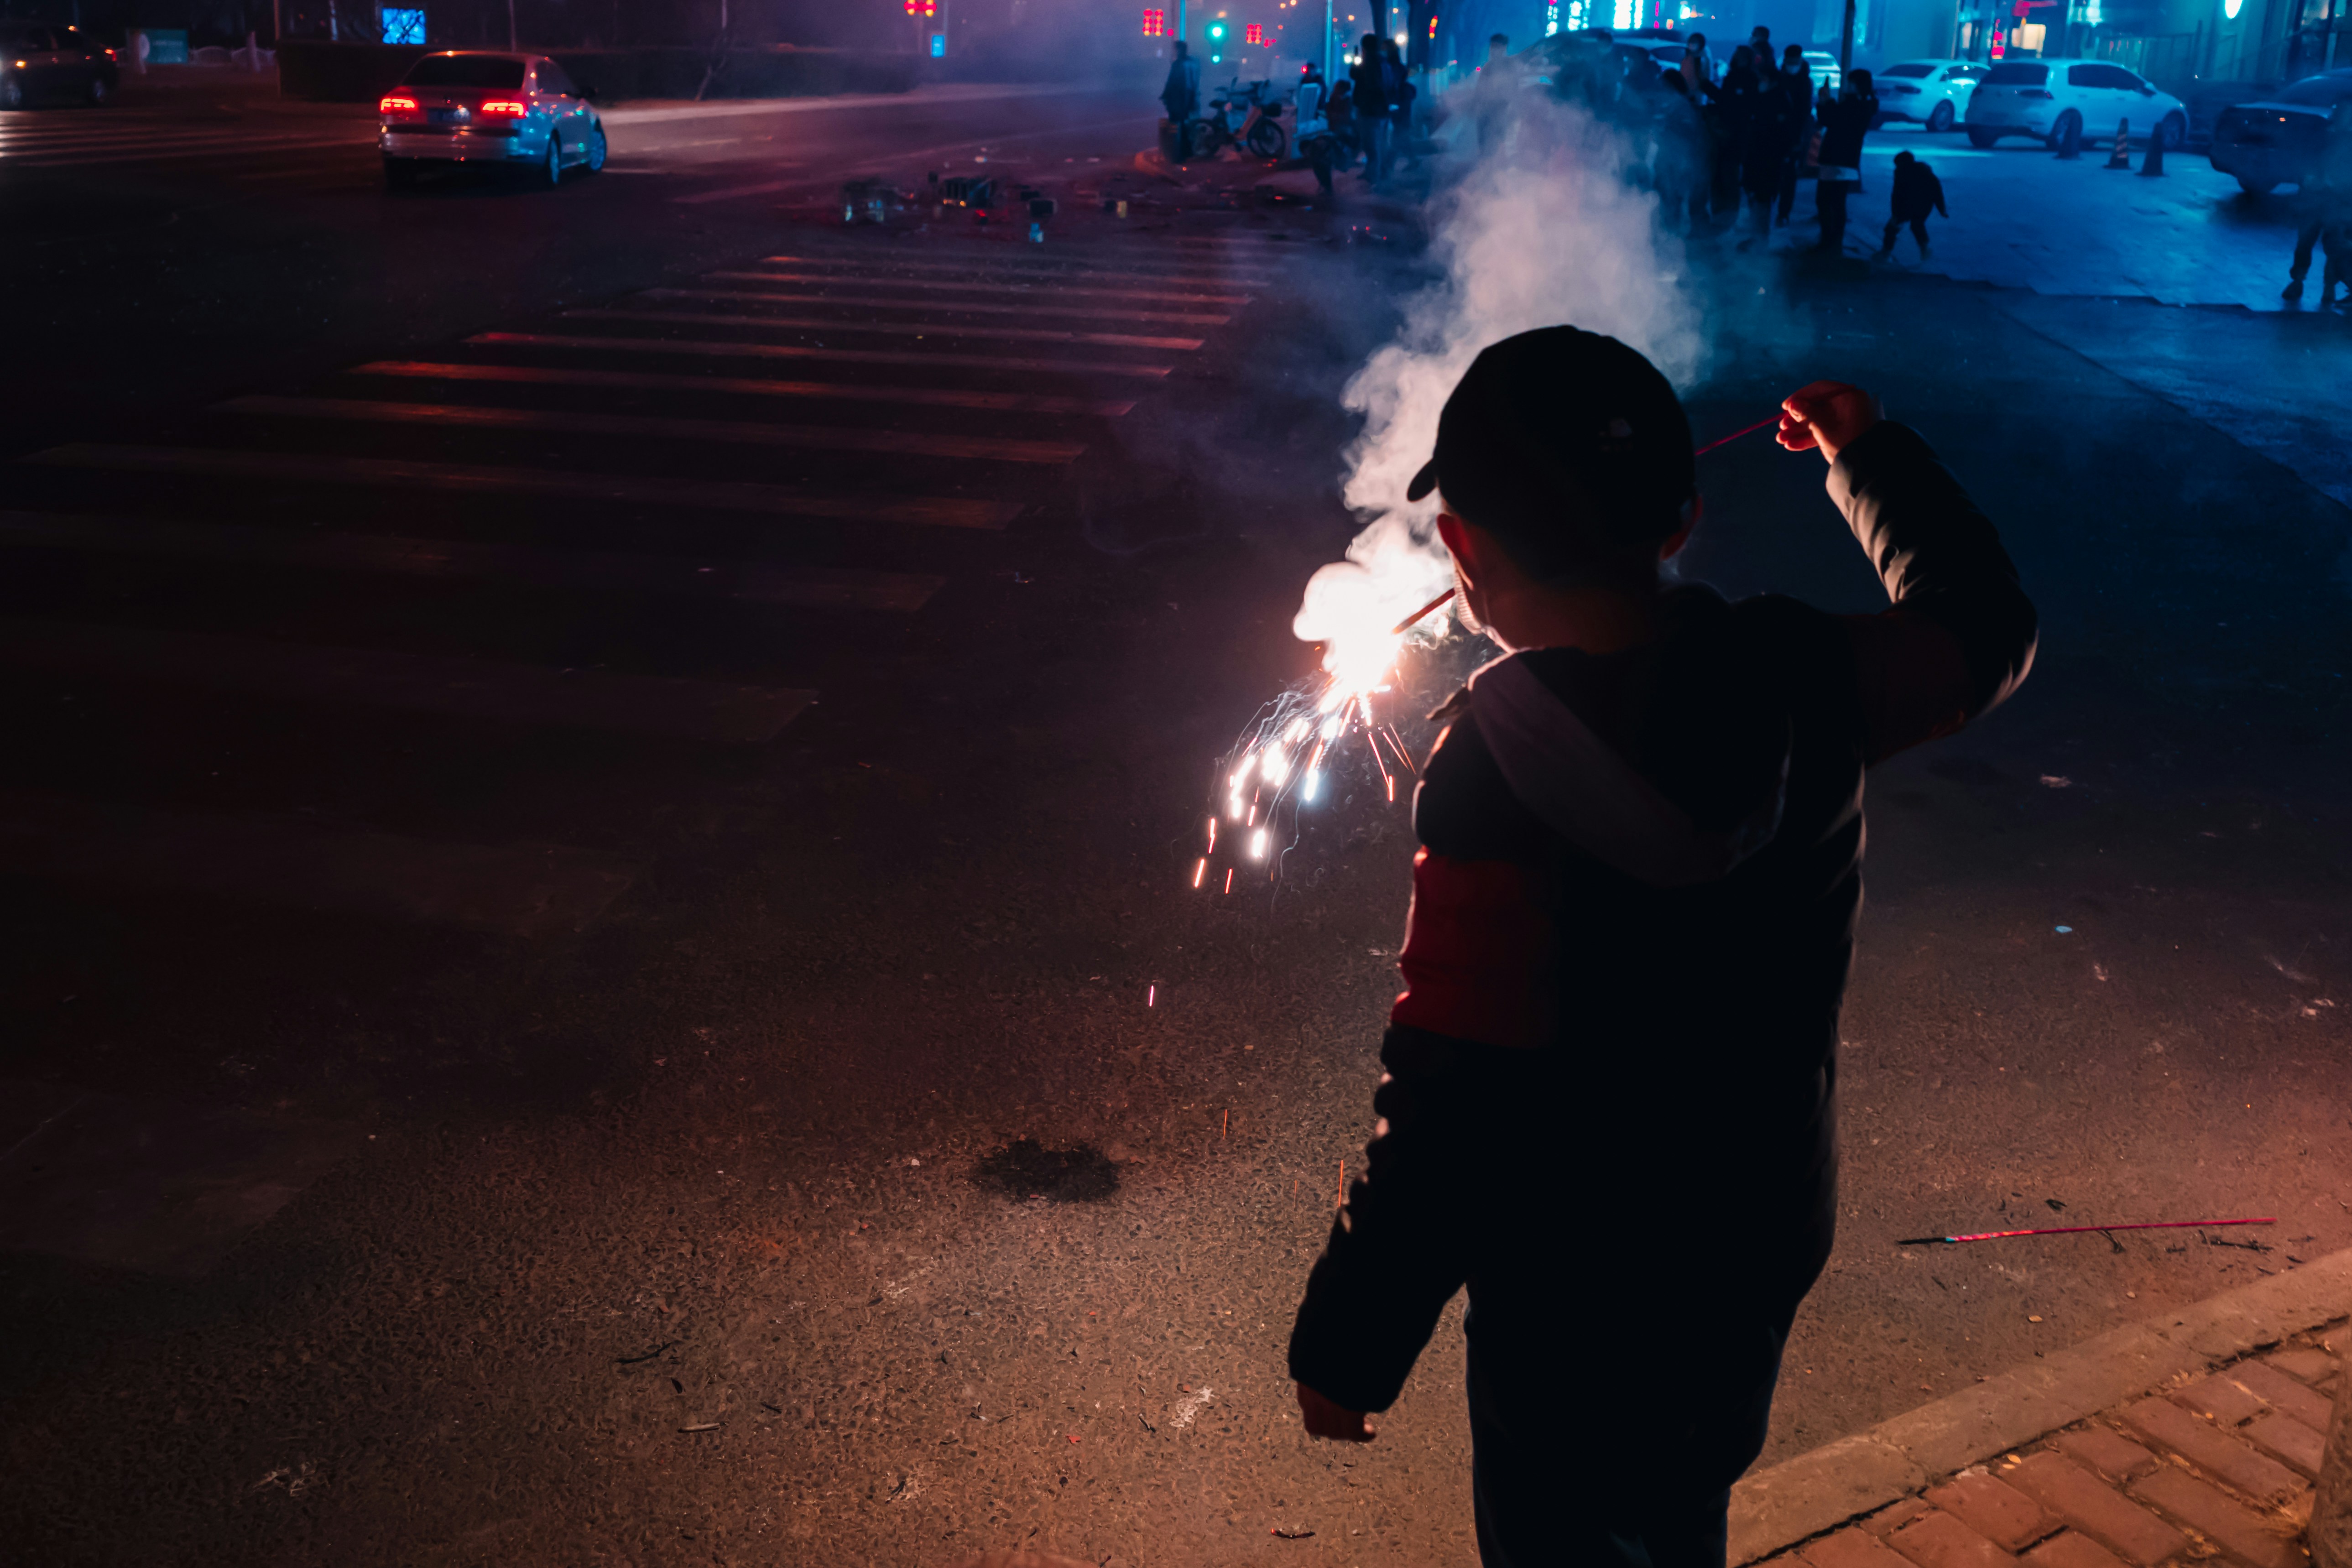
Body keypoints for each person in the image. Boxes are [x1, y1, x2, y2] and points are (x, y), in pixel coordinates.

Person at [1286, 327, 2035, 1568]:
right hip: (1751, 1235)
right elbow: (1984, 626)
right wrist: (1867, 456)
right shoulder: (1806, 674)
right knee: (1678, 1502)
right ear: (1681, 519)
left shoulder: (1489, 770)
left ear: (1460, 547)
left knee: (1564, 1533)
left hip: (1572, 1291)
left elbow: (1450, 1088)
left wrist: (1349, 1342)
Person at [1813, 68, 1875, 255]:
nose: (1847, 86)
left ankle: (1829, 243)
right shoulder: (1866, 104)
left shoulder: (1855, 105)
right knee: (1835, 202)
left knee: (1827, 201)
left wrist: (1826, 101)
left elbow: (1831, 120)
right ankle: (1833, 242)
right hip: (1846, 158)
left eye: (1850, 82)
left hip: (1838, 157)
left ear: (1857, 84)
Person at [1876, 149, 1947, 260]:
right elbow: (1937, 192)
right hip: (1924, 206)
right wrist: (1942, 210)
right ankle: (1924, 249)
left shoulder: (1901, 172)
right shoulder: (1927, 172)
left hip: (1906, 206)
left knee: (1892, 229)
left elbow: (1897, 195)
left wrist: (1895, 213)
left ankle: (1886, 253)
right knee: (1917, 226)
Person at [1776, 45, 1814, 226]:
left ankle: (1783, 214)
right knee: (1776, 176)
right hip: (1777, 134)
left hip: (1794, 136)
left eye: (1794, 62)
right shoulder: (1780, 77)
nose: (1792, 65)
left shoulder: (1805, 82)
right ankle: (1776, 213)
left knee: (1789, 177)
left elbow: (1804, 112)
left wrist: (1799, 139)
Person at [1351, 36, 1392, 182]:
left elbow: (1355, 76)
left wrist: (1357, 60)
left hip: (1370, 111)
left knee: (1371, 146)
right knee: (1379, 144)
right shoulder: (1384, 62)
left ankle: (1375, 178)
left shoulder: (1369, 64)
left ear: (1364, 48)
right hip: (1382, 110)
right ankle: (1375, 173)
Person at [1295, 61, 1335, 194]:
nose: (1309, 73)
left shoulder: (1319, 83)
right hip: (1310, 121)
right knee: (1319, 159)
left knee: (1320, 159)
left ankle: (1326, 186)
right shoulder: (1307, 82)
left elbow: (1319, 100)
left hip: (1317, 120)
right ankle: (1325, 186)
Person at [1161, 41, 1202, 162]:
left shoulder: (1179, 64)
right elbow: (1194, 82)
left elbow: (1173, 82)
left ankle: (1180, 153)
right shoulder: (1193, 64)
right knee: (1185, 124)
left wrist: (1166, 96)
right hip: (1189, 98)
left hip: (1179, 99)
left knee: (1177, 126)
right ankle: (1187, 151)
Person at [1679, 30, 1714, 97]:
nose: (1691, 44)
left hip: (1697, 94)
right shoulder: (1687, 58)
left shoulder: (1702, 59)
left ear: (1700, 44)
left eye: (1694, 42)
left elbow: (1706, 76)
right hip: (1685, 92)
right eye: (1691, 41)